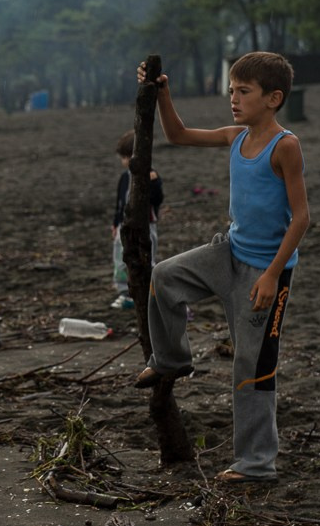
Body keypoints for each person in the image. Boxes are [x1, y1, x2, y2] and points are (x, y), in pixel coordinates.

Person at [135, 52, 309, 484]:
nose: (233, 99)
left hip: (265, 273)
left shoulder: (285, 145)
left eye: (243, 92)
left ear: (274, 98)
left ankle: (256, 464)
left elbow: (303, 217)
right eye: (231, 90)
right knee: (166, 276)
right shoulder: (235, 136)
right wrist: (162, 94)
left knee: (252, 368)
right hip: (227, 251)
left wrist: (272, 275)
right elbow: (177, 135)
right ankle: (172, 358)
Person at [110, 130, 164, 310]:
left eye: (127, 156)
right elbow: (119, 202)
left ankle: (151, 292)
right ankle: (125, 292)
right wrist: (115, 223)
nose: (125, 161)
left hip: (146, 226)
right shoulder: (125, 177)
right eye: (123, 157)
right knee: (121, 258)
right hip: (124, 227)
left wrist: (154, 183)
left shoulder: (150, 175)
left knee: (147, 258)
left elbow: (157, 199)